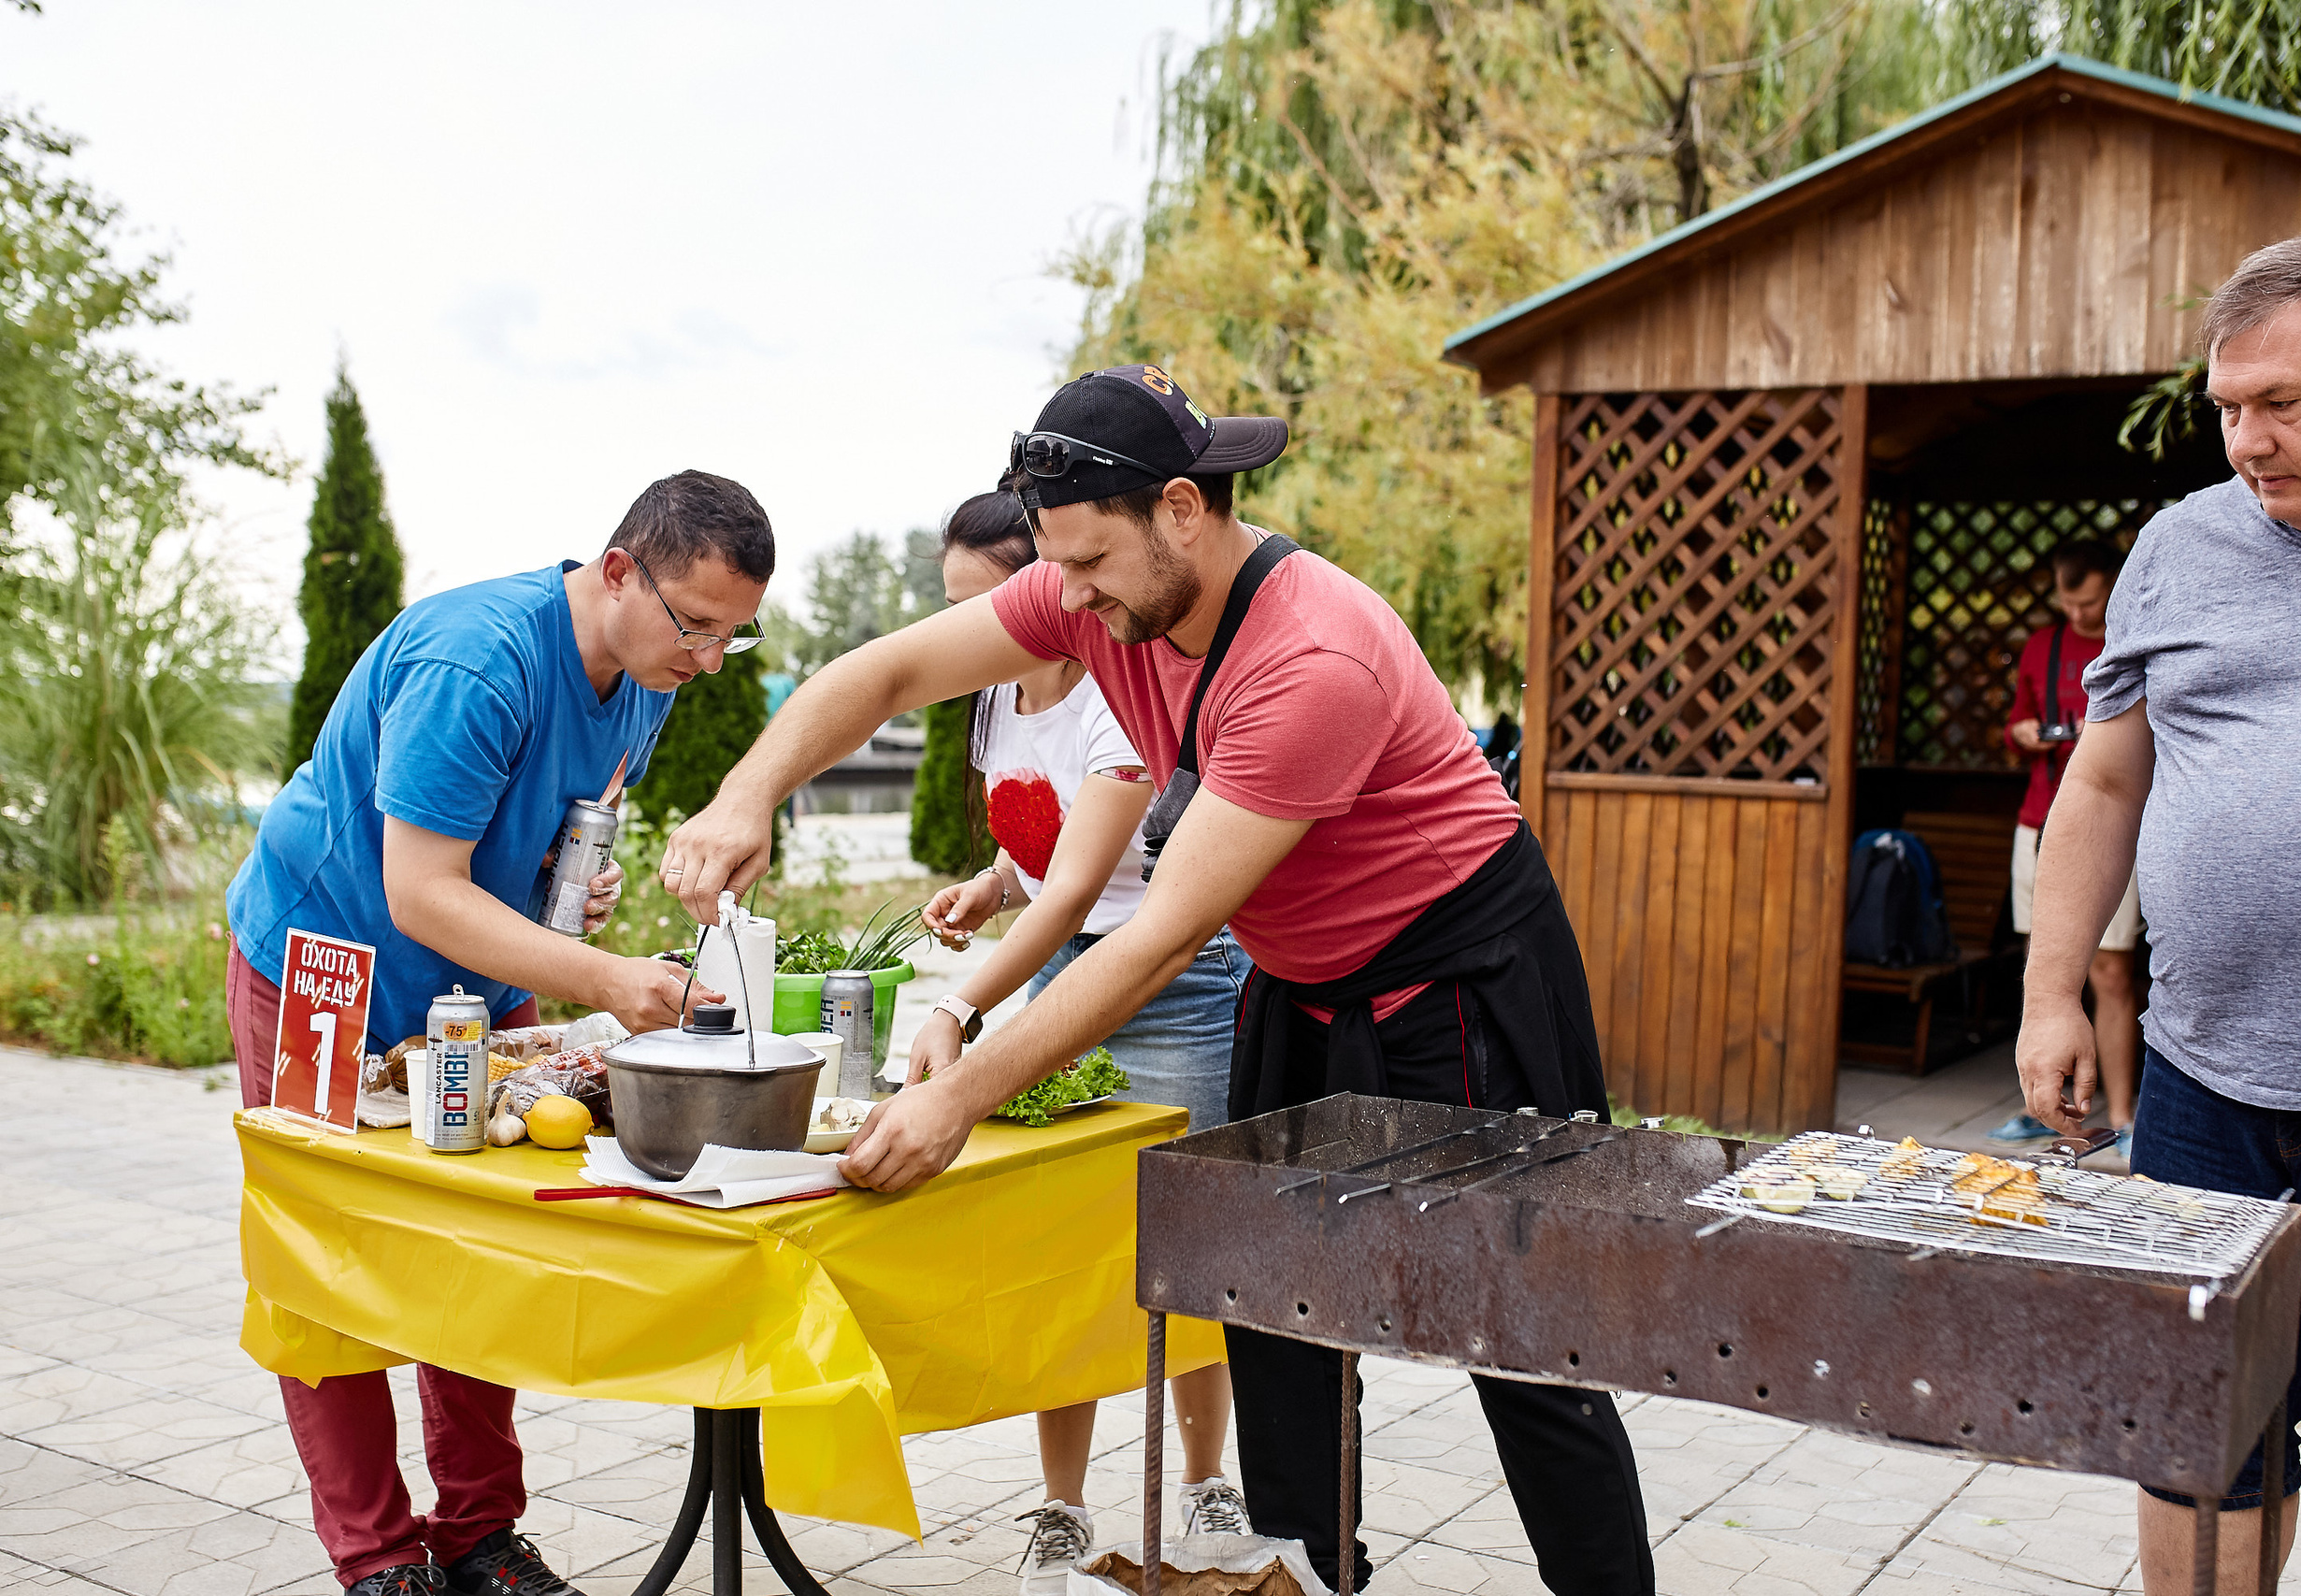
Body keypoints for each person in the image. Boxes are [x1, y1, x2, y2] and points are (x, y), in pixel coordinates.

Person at [661, 367, 1653, 1596]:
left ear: (1182, 508)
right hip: (1303, 980)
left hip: (1463, 975)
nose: (1062, 598)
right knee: (1273, 1309)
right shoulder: (1098, 589)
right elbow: (881, 675)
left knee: (1523, 1338)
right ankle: (1309, 1575)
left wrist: (957, 1091)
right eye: (1055, 565)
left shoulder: (1311, 658)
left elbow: (1160, 936)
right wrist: (745, 790)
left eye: (1085, 564)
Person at [224, 470, 769, 1596]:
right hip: (329, 968)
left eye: (735, 636)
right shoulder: (477, 662)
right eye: (697, 625)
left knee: (484, 1242)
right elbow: (422, 889)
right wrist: (611, 978)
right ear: (617, 569)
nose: (710, 658)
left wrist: (578, 898)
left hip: (478, 972)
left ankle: (478, 1537)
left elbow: (548, 828)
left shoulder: (645, 669)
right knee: (331, 1260)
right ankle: (377, 1558)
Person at [2016, 231, 2301, 1596]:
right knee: (2199, 1440)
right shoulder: (2178, 547)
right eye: (2229, 406)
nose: (2245, 439)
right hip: (2202, 1079)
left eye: (2283, 404)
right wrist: (2052, 987)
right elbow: (2106, 773)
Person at [912, 488, 1253, 1593]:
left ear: (1050, 590)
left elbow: (1074, 897)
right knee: (1066, 1251)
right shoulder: (995, 703)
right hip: (1067, 980)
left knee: (1190, 1256)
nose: (969, 635)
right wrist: (982, 886)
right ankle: (1061, 1506)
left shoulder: (1119, 696)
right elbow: (1037, 864)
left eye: (985, 605)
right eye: (954, 610)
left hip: (1181, 981)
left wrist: (957, 1006)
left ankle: (1206, 1480)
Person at [1986, 540, 2142, 1150]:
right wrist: (2021, 732)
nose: (2079, 613)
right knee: (2046, 967)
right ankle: (2047, 1106)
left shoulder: (2131, 636)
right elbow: (2015, 724)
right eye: (2068, 601)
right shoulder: (2040, 648)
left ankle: (2124, 1115)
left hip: (2110, 831)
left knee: (2109, 971)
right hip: (2040, 819)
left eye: (2091, 600)